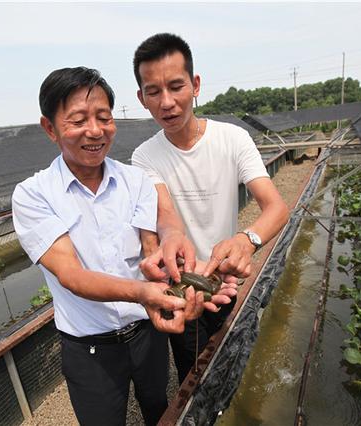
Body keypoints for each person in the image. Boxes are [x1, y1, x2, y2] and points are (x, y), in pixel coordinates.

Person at [12, 67, 199, 425]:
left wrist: (169, 270)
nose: (95, 131)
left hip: (147, 333)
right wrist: (145, 293)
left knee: (158, 409)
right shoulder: (34, 195)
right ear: (50, 128)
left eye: (104, 117)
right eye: (78, 121)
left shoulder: (135, 180)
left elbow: (150, 248)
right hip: (89, 347)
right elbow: (70, 275)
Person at [131, 33, 290, 383]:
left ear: (196, 85)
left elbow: (276, 207)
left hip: (224, 278)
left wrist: (246, 240)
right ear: (141, 99)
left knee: (237, 356)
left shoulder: (233, 139)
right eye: (154, 92)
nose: (167, 102)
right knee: (193, 369)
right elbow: (164, 212)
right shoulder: (144, 156)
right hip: (181, 285)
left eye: (176, 86)